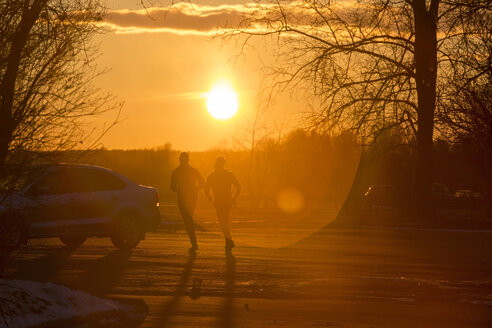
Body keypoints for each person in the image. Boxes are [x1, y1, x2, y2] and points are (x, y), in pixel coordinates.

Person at [204, 156, 241, 255]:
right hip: (228, 201)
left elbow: (206, 188)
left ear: (216, 163)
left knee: (222, 220)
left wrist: (208, 196)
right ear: (223, 164)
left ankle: (229, 240)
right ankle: (228, 241)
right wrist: (235, 197)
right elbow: (238, 186)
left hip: (219, 202)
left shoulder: (211, 175)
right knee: (224, 219)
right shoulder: (229, 174)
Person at [171, 152, 204, 253]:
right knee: (189, 219)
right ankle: (194, 243)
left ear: (180, 160)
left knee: (188, 220)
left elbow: (172, 188)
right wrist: (194, 189)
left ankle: (194, 243)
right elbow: (202, 183)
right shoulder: (193, 170)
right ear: (188, 160)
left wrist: (180, 190)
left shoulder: (176, 172)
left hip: (182, 198)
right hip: (192, 197)